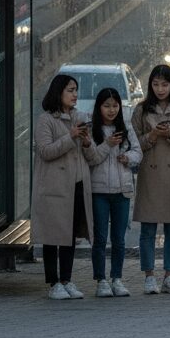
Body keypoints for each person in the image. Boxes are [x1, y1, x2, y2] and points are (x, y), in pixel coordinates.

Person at [31, 73, 102, 300]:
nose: (74, 95)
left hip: (77, 184)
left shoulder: (80, 118)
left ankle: (67, 279)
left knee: (69, 235)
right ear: (58, 92)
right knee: (54, 235)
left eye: (75, 90)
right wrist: (70, 137)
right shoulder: (46, 120)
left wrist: (88, 142)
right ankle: (53, 282)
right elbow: (45, 151)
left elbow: (91, 157)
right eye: (70, 90)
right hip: (54, 187)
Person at [131, 65, 170, 295]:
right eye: (156, 84)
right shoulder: (141, 110)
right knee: (148, 229)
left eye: (165, 84)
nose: (160, 89)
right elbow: (133, 144)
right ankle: (149, 276)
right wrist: (153, 135)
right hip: (151, 171)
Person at [89, 87, 142, 297]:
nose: (111, 110)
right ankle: (101, 280)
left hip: (122, 190)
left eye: (115, 106)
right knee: (100, 238)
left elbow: (138, 152)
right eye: (106, 106)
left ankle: (117, 278)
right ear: (99, 107)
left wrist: (128, 158)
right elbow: (91, 157)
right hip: (99, 190)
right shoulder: (93, 129)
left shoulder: (126, 127)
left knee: (119, 238)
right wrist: (107, 144)